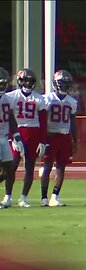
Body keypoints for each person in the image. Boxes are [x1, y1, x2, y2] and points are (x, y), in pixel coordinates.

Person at [0, 68, 47, 208]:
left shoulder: (39, 98)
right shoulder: (10, 96)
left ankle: (23, 198)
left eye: (30, 81)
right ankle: (7, 196)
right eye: (25, 80)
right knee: (11, 166)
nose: (27, 83)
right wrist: (14, 136)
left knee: (30, 167)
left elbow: (43, 121)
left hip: (33, 133)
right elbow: (9, 117)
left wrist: (43, 140)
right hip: (17, 132)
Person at [39, 70, 78, 207]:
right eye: (61, 83)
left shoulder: (72, 102)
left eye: (66, 83)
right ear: (55, 84)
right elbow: (42, 119)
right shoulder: (47, 99)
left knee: (61, 167)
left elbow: (73, 122)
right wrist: (42, 137)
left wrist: (75, 139)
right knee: (47, 166)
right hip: (51, 136)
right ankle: (44, 197)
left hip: (65, 136)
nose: (63, 86)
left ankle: (54, 196)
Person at [0, 67, 25, 208]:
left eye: (4, 83)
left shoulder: (8, 98)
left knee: (8, 170)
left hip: (4, 138)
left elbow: (11, 118)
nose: (2, 86)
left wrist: (17, 136)